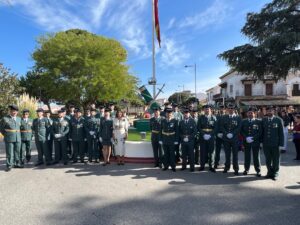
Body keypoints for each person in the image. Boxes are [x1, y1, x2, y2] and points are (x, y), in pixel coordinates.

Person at [262, 106, 284, 181]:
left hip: (275, 144)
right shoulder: (264, 120)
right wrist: (261, 142)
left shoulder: (278, 120)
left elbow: (281, 133)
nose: (269, 112)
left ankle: (275, 173)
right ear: (266, 112)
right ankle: (269, 172)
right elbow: (262, 132)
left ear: (274, 111)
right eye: (268, 111)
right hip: (266, 144)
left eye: (271, 111)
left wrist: (281, 144)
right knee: (268, 159)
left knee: (276, 159)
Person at [240, 108, 262, 177]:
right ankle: (246, 169)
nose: (250, 114)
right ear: (247, 114)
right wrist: (246, 137)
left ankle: (258, 170)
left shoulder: (258, 122)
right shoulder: (243, 121)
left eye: (252, 113)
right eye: (249, 113)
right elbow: (241, 131)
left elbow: (260, 132)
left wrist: (253, 138)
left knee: (256, 157)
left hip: (255, 142)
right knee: (247, 156)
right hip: (246, 141)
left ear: (254, 114)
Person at [220, 103, 242, 175]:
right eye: (229, 108)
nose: (230, 109)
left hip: (234, 139)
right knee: (227, 154)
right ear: (227, 109)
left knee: (235, 155)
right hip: (226, 139)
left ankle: (236, 169)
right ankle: (227, 167)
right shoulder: (224, 117)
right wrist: (226, 133)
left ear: (234, 109)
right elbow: (222, 127)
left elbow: (239, 127)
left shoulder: (238, 118)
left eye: (232, 108)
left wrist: (232, 133)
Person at [0, 105, 22, 171]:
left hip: (18, 138)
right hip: (9, 138)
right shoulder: (5, 118)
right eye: (13, 111)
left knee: (17, 151)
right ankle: (9, 165)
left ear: (17, 112)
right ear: (10, 111)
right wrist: (6, 135)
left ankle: (16, 163)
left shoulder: (19, 119)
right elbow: (1, 128)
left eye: (16, 111)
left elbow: (20, 128)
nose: (14, 112)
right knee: (9, 152)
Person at [197, 105, 217, 172]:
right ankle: (202, 166)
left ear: (210, 110)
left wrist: (210, 135)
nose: (207, 110)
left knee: (211, 152)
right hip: (203, 137)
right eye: (206, 109)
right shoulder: (201, 118)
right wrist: (203, 134)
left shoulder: (214, 118)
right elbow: (198, 127)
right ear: (204, 110)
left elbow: (216, 128)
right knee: (202, 152)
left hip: (211, 137)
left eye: (208, 109)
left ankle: (211, 166)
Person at [160, 108, 179, 172]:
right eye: (167, 113)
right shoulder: (163, 121)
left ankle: (173, 166)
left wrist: (176, 140)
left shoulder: (175, 121)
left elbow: (177, 131)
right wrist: (160, 139)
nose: (169, 114)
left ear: (171, 114)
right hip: (165, 139)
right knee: (166, 153)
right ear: (166, 114)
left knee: (172, 153)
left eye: (170, 113)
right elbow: (160, 131)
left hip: (172, 139)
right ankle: (166, 166)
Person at [179, 108, 197, 172]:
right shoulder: (181, 122)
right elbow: (179, 131)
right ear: (183, 114)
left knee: (191, 154)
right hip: (183, 140)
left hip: (190, 141)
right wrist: (183, 137)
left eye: (187, 113)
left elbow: (195, 131)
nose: (186, 114)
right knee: (183, 154)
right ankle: (184, 166)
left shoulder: (193, 121)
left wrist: (189, 137)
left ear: (189, 114)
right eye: (185, 113)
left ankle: (192, 167)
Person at [214, 104, 226, 169]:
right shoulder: (216, 116)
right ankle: (216, 163)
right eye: (221, 108)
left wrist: (224, 133)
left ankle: (226, 163)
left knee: (226, 150)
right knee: (217, 150)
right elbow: (215, 126)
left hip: (225, 135)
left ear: (225, 110)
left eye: (223, 109)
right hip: (218, 135)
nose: (222, 110)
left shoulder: (227, 117)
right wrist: (217, 134)